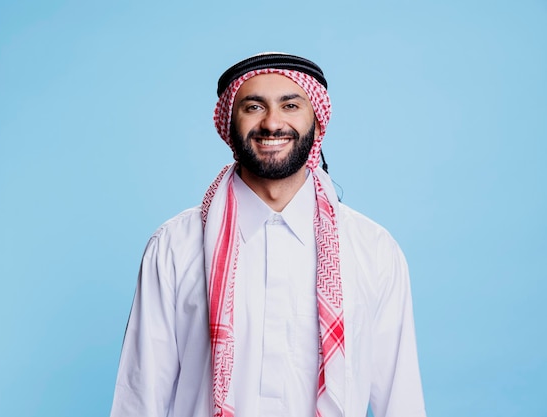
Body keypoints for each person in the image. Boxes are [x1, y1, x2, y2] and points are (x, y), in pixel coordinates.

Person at [110, 53, 426, 417]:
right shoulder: (174, 246)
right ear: (228, 126)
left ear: (318, 123)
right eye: (253, 106)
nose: (272, 123)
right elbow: (140, 395)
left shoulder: (373, 249)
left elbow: (401, 400)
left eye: (290, 105)